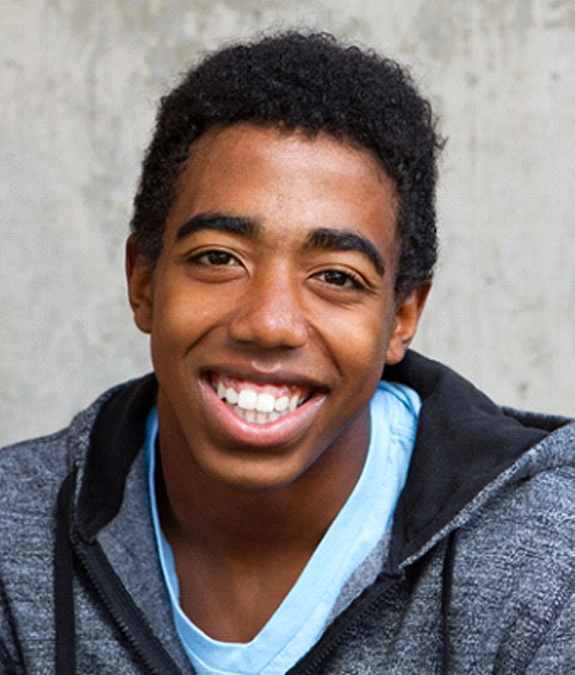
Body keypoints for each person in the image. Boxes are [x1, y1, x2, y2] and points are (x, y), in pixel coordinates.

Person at [1, 31, 574, 675]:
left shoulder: (545, 565)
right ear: (143, 282)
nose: (270, 324)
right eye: (219, 258)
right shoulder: (14, 538)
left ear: (402, 316)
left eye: (337, 276)